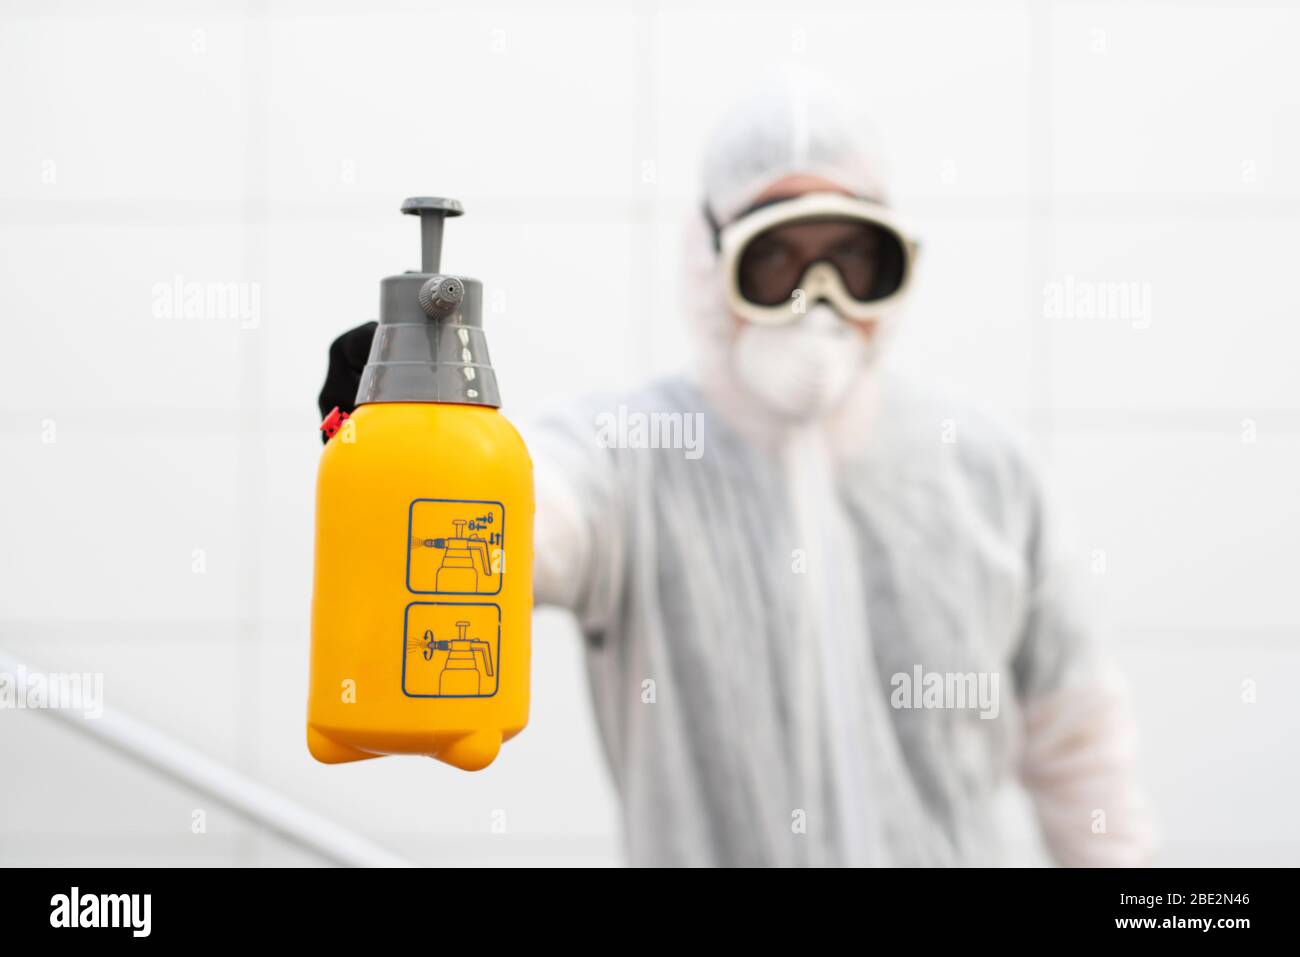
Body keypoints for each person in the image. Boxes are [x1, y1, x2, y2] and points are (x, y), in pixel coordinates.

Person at [319, 72, 1152, 867]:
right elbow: (523, 517)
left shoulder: (985, 470)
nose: (817, 297)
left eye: (850, 259)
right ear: (712, 258)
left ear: (893, 266)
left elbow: (1081, 745)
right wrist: (416, 440)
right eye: (778, 258)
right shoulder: (633, 454)